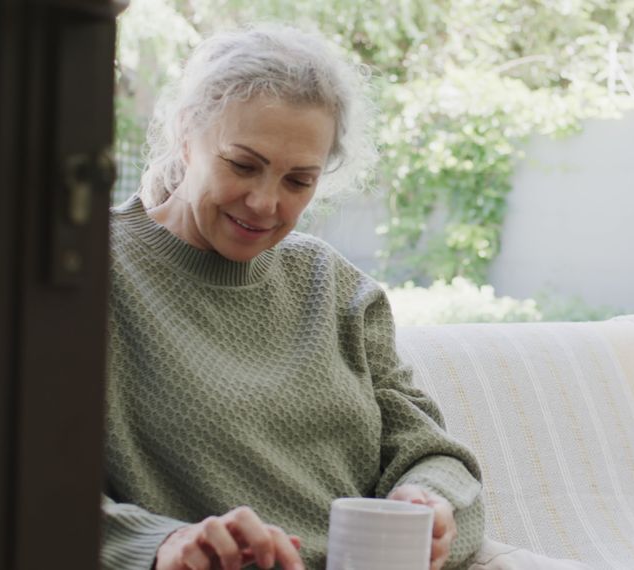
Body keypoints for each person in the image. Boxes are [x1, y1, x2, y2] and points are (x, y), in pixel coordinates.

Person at [100, 24, 484, 570]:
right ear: (187, 134)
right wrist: (160, 544)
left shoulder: (336, 287)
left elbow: (435, 456)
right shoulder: (91, 273)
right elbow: (16, 485)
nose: (264, 203)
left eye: (298, 181)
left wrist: (430, 503)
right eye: (243, 165)